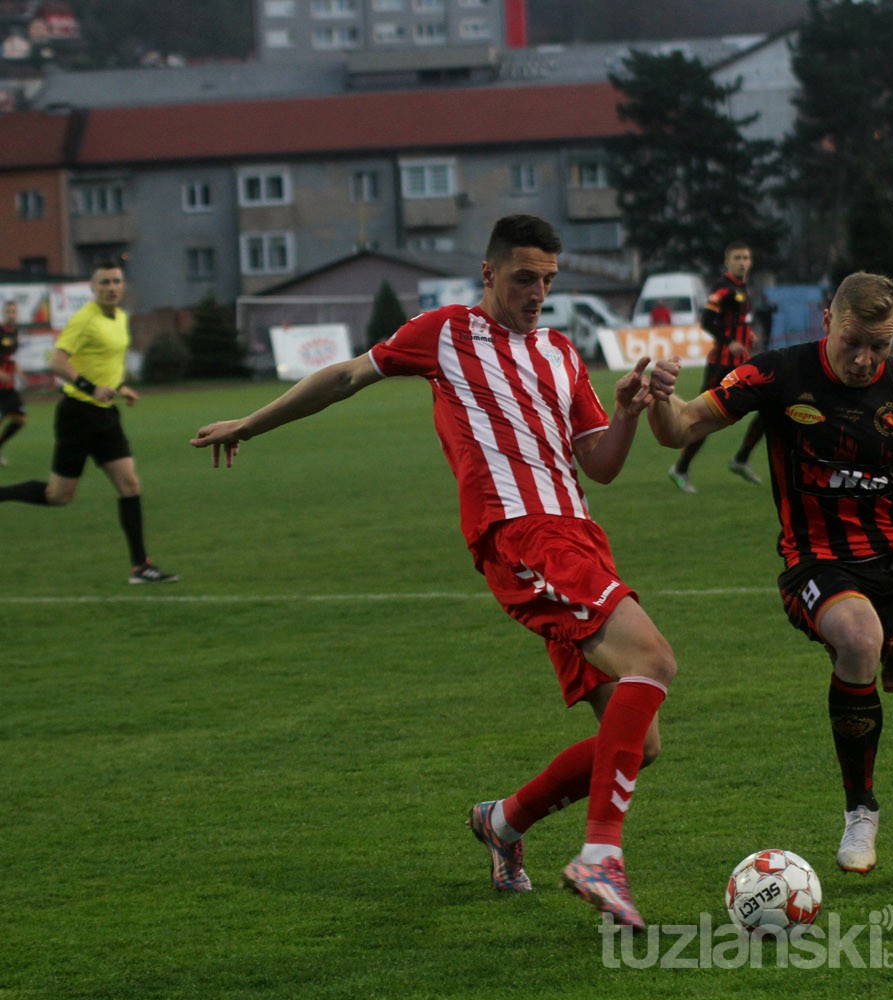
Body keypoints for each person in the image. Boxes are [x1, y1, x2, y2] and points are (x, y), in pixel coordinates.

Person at [189, 215, 675, 929]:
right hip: (519, 535)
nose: (538, 293)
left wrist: (628, 411)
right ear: (488, 273)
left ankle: (503, 823)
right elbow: (347, 376)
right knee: (654, 659)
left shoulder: (562, 353)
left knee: (639, 743)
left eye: (548, 280)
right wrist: (250, 424)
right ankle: (601, 855)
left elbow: (598, 461)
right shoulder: (446, 332)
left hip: (578, 540)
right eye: (523, 279)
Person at [645, 271, 893, 890]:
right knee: (859, 638)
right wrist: (658, 398)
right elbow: (681, 429)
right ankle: (860, 811)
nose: (866, 359)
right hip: (817, 557)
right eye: (854, 342)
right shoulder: (775, 374)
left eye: (881, 346)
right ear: (827, 322)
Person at [0, 260, 177, 583]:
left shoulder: (120, 317)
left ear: (123, 286)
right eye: (104, 283)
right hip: (77, 415)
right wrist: (90, 388)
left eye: (116, 282)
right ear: (93, 288)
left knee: (130, 484)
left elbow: (103, 364)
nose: (111, 288)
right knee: (59, 496)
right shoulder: (84, 320)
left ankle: (140, 567)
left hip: (106, 414)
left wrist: (120, 388)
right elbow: (56, 362)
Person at [667, 240, 765, 493]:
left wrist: (746, 337)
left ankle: (741, 459)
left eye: (746, 258)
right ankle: (680, 468)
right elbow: (707, 321)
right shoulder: (722, 289)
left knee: (769, 407)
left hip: (741, 363)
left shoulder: (744, 288)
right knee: (705, 417)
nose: (743, 262)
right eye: (738, 258)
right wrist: (729, 341)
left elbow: (739, 321)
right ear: (727, 262)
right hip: (721, 365)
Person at [0, 300, 26, 465]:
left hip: (9, 387)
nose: (12, 315)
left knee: (20, 419)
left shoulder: (15, 332)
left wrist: (19, 372)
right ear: (4, 313)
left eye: (14, 312)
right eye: (9, 311)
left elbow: (11, 358)